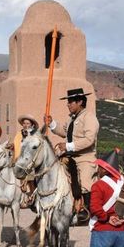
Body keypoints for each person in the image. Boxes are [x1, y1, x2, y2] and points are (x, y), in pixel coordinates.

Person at [45, 88, 100, 224]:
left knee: (85, 182)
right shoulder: (71, 118)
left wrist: (68, 146)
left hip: (84, 157)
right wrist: (51, 123)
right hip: (69, 156)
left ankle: (85, 211)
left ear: (80, 102)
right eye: (68, 102)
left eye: (71, 102)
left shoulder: (89, 117)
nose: (68, 105)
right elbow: (64, 132)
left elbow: (89, 140)